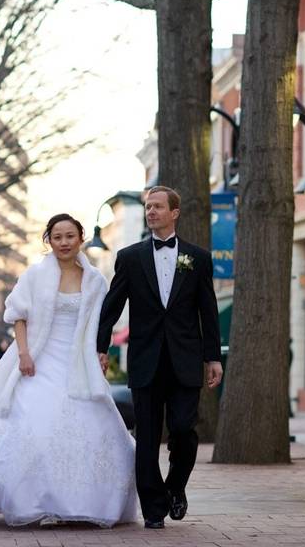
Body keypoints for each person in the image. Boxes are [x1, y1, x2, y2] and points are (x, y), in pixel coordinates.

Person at [0, 214, 137, 527]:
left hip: (78, 359)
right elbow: (18, 316)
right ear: (49, 241)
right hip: (40, 357)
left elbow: (100, 321)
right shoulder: (36, 274)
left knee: (94, 428)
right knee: (36, 426)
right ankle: (32, 501)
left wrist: (101, 352)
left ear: (80, 238)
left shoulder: (94, 279)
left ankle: (77, 503)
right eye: (57, 237)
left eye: (70, 236)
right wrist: (25, 354)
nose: (64, 242)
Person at [97, 186, 222, 530]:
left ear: (174, 212)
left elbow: (207, 311)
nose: (151, 211)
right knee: (148, 435)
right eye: (148, 207)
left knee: (184, 429)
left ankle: (175, 487)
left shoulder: (197, 258)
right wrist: (101, 346)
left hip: (185, 359)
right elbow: (112, 305)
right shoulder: (130, 257)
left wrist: (213, 356)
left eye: (157, 207)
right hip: (145, 359)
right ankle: (153, 508)